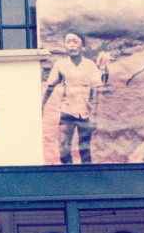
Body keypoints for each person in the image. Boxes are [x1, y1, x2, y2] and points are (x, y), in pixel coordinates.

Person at [43, 30, 102, 164]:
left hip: (85, 114)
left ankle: (87, 175)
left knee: (85, 149)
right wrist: (42, 106)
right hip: (67, 112)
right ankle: (68, 174)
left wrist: (94, 115)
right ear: (64, 46)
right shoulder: (60, 65)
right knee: (64, 148)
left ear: (83, 46)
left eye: (75, 41)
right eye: (68, 42)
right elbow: (50, 86)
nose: (71, 45)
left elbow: (96, 90)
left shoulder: (90, 65)